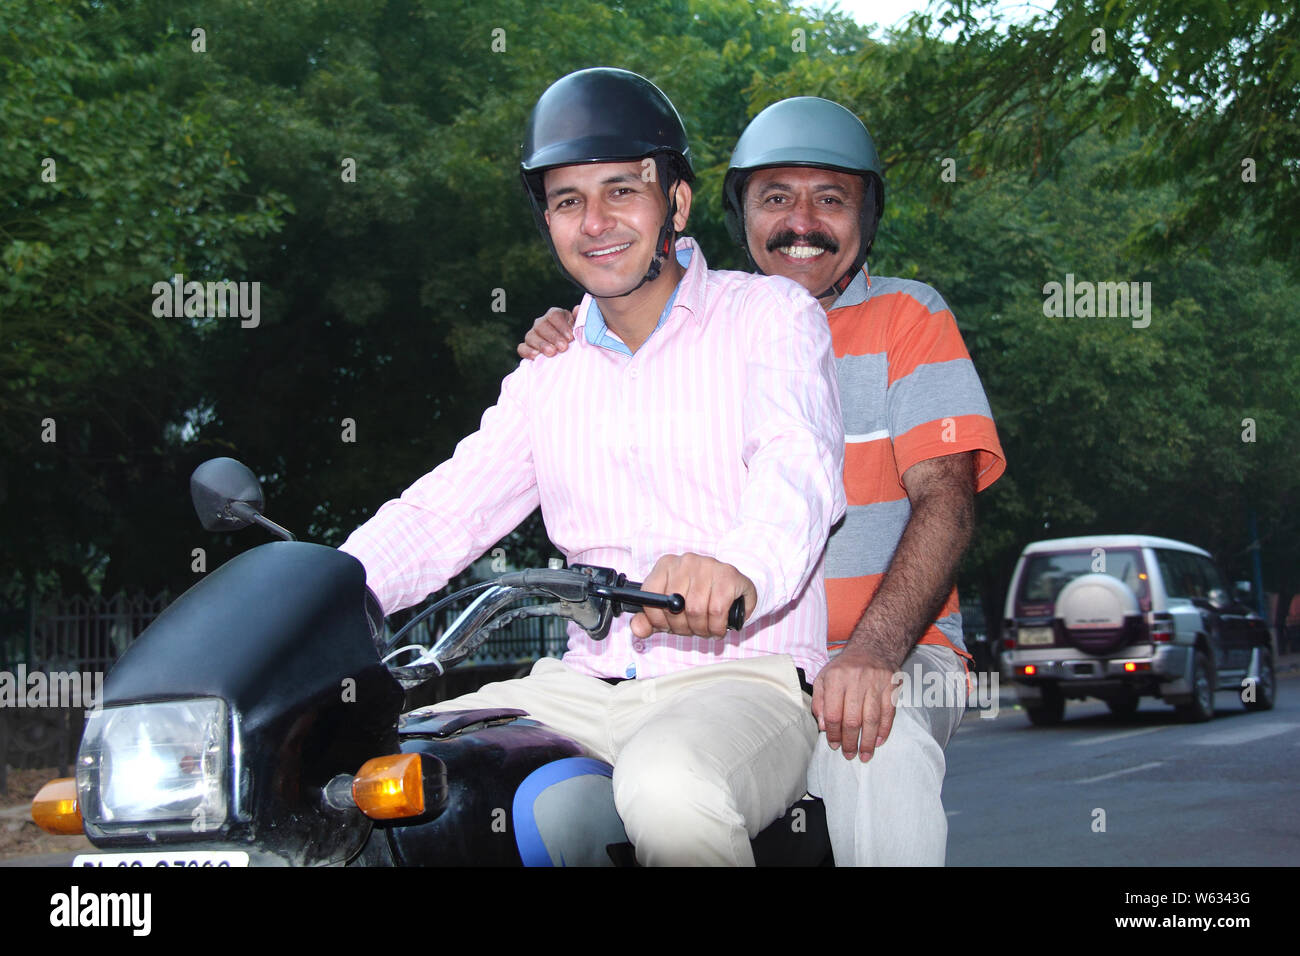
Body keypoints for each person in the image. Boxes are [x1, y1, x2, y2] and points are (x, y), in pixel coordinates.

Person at [340, 70, 845, 866]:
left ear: (674, 202)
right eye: (569, 200)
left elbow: (799, 466)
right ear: (548, 220)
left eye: (622, 190)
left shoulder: (771, 315)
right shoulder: (550, 367)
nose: (597, 221)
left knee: (669, 790)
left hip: (745, 683)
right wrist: (323, 592)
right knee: (397, 774)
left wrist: (738, 568)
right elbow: (446, 511)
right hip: (579, 687)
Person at [518, 96, 1006, 865]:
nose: (802, 222)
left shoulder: (908, 318)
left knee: (870, 749)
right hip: (737, 658)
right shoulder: (714, 326)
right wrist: (581, 330)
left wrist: (874, 654)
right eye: (776, 197)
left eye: (831, 200)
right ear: (737, 214)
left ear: (866, 217)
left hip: (887, 644)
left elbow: (946, 502)